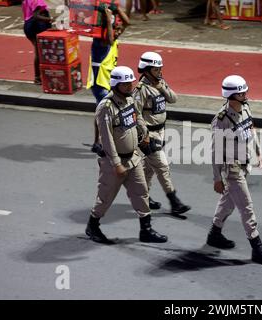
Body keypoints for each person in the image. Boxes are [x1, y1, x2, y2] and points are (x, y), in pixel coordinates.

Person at [86, 66, 168, 245]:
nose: (130, 86)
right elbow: (106, 139)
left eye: (130, 83)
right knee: (105, 196)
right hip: (114, 163)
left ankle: (145, 230)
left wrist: (144, 132)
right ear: (115, 85)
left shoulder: (129, 99)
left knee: (142, 192)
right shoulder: (106, 107)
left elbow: (137, 116)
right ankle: (93, 225)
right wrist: (116, 164)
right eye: (125, 84)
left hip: (134, 157)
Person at [208, 75, 262, 266]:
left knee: (228, 203)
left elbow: (251, 129)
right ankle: (257, 246)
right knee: (246, 208)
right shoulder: (221, 120)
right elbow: (215, 151)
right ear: (232, 95)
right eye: (241, 92)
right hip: (232, 169)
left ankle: (214, 234)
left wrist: (258, 151)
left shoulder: (245, 108)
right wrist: (217, 178)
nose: (245, 94)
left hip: (244, 163)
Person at [133, 52, 191, 215]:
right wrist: (144, 136)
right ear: (146, 69)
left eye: (160, 68)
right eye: (156, 69)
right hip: (149, 134)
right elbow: (136, 115)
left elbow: (173, 99)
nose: (159, 72)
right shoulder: (140, 90)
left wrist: (162, 87)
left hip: (161, 131)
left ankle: (143, 197)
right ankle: (174, 202)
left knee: (149, 169)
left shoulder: (160, 83)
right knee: (162, 167)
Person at [87, 5, 129, 155]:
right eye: (116, 29)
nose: (119, 31)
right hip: (99, 83)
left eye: (118, 29)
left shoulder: (113, 37)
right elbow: (110, 38)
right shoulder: (101, 41)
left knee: (101, 111)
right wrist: (108, 17)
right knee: (106, 112)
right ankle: (105, 143)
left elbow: (127, 22)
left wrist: (117, 10)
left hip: (107, 82)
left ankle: (97, 142)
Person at [22, 0, 54, 85]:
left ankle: (42, 75)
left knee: (40, 52)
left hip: (28, 26)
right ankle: (37, 77)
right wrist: (50, 19)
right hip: (36, 27)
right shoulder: (38, 1)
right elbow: (36, 16)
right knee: (39, 53)